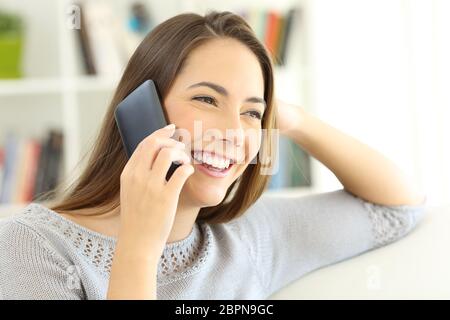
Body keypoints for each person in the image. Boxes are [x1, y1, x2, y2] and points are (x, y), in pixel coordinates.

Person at [0, 11, 426, 300]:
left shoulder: (249, 240)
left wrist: (292, 119)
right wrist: (141, 242)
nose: (231, 131)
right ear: (141, 109)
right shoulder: (35, 248)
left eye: (251, 112)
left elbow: (397, 209)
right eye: (206, 99)